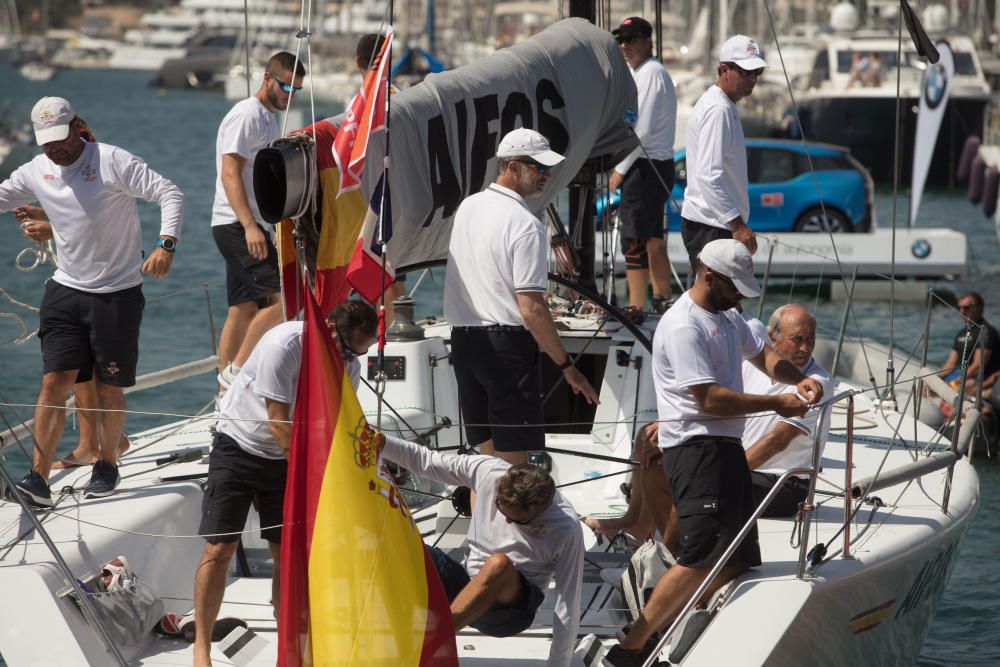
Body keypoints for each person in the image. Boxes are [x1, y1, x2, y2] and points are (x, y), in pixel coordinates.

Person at [605, 239, 823, 666]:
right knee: (701, 555)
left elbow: (762, 354)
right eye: (735, 286)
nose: (741, 294)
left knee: (737, 558)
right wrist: (778, 402)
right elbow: (710, 400)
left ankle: (700, 634)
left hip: (725, 449)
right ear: (710, 277)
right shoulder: (684, 326)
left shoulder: (729, 315)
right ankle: (631, 649)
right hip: (696, 449)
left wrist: (797, 380)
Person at [1, 96, 183, 506]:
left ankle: (107, 463)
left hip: (116, 293)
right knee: (54, 381)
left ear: (77, 126)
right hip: (65, 290)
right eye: (45, 141)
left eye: (60, 138)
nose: (54, 148)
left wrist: (165, 245)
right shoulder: (37, 169)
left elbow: (169, 193)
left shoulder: (112, 161)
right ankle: (37, 478)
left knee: (107, 387)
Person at [192, 300, 376, 667]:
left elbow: (336, 422)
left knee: (288, 556)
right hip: (239, 448)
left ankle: (289, 645)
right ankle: (201, 646)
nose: (351, 359)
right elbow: (279, 423)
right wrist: (310, 476)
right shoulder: (285, 345)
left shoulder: (349, 363)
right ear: (329, 328)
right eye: (346, 350)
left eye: (359, 353)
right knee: (219, 550)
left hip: (286, 459)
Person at [444, 127, 598, 467]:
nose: (548, 175)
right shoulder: (526, 224)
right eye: (539, 168)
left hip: (465, 343)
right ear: (512, 167)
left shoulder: (468, 207)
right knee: (515, 468)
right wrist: (568, 368)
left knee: (484, 465)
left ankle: (483, 522)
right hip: (506, 352)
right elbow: (532, 309)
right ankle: (511, 522)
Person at [376, 432, 584, 667]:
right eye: (500, 509)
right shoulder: (488, 471)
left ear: (539, 512)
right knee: (406, 544)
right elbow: (428, 461)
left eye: (517, 521)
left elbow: (568, 603)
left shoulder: (566, 527)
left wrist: (559, 664)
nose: (505, 522)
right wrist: (382, 443)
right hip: (466, 583)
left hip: (508, 614)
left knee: (498, 564)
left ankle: (431, 643)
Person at [13, 118, 132, 470]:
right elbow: (78, 210)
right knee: (79, 369)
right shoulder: (74, 161)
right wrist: (47, 215)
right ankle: (89, 445)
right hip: (78, 279)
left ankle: (94, 447)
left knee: (91, 371)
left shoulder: (99, 162)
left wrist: (49, 227)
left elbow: (93, 220)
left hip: (106, 279)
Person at [213, 52, 306, 389]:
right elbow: (230, 173)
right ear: (268, 79)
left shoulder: (268, 118)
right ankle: (236, 376)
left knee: (243, 307)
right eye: (285, 86)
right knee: (282, 302)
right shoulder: (246, 115)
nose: (289, 95)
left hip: (246, 223)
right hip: (237, 224)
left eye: (296, 90)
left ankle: (223, 388)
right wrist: (251, 226)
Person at [679, 35, 768, 276]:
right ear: (724, 70)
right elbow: (709, 175)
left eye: (757, 71)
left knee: (721, 305)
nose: (752, 79)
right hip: (712, 227)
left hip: (714, 225)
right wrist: (737, 226)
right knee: (714, 303)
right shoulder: (718, 109)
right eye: (745, 71)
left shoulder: (723, 104)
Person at [609, 16, 677, 312]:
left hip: (645, 165)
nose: (625, 46)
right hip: (656, 165)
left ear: (649, 42)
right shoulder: (646, 73)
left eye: (632, 40)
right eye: (621, 40)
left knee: (633, 239)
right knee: (652, 238)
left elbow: (643, 129)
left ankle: (636, 308)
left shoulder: (649, 74)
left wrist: (619, 170)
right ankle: (662, 298)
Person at [741, 304, 834, 517]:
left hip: (783, 485)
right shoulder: (749, 366)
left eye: (810, 339)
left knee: (701, 488)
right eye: (797, 339)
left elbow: (777, 441)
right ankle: (652, 545)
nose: (805, 348)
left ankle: (671, 548)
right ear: (772, 338)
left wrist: (729, 473)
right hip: (746, 471)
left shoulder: (818, 384)